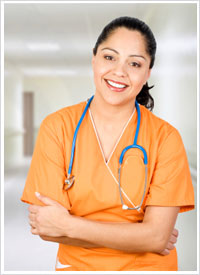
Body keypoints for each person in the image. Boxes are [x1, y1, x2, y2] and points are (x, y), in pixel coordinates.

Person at [21, 16, 195, 271]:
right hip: (77, 267)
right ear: (94, 59)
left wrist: (68, 225)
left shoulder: (165, 138)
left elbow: (157, 237)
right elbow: (46, 228)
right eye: (109, 57)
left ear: (147, 73)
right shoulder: (57, 127)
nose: (119, 72)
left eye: (134, 63)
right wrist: (141, 237)